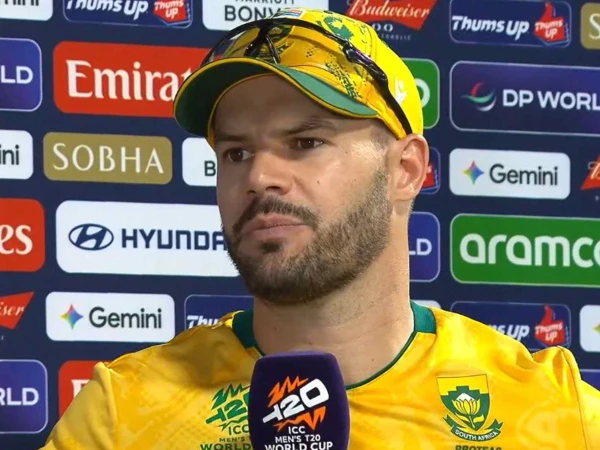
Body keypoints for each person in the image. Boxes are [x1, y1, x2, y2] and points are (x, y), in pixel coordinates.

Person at [42, 7, 599, 450]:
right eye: (236, 153)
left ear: (406, 170)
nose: (260, 177)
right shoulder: (122, 415)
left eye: (305, 142)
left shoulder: (553, 411)